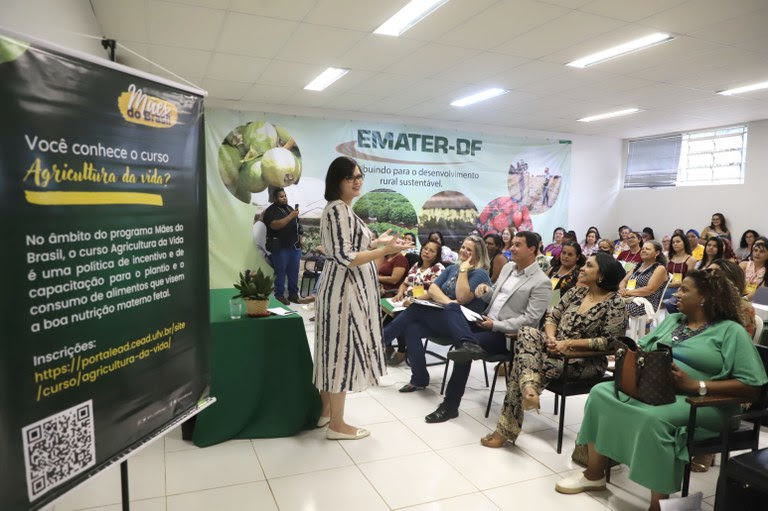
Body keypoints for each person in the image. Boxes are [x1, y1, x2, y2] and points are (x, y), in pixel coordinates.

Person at [555, 269, 767, 511]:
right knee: (601, 394)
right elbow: (643, 347)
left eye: (685, 290)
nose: (677, 294)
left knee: (653, 418)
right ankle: (594, 475)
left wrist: (696, 385)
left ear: (704, 297)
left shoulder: (730, 331)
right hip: (657, 390)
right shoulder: (674, 321)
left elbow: (752, 387)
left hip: (705, 403)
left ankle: (659, 504)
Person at [479, 253, 628, 447]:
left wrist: (567, 344)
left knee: (523, 365)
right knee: (526, 332)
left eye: (589, 266)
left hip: (583, 360)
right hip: (555, 347)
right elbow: (552, 317)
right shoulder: (576, 292)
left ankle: (507, 425)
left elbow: (610, 342)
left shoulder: (615, 303)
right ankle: (530, 388)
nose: (582, 268)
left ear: (601, 275)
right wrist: (551, 339)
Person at [314, 157, 413, 440]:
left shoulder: (344, 209)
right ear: (337, 181)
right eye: (350, 177)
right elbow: (346, 256)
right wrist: (383, 251)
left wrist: (377, 243)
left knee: (333, 351)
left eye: (359, 176)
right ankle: (337, 425)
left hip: (345, 291)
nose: (357, 181)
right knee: (340, 353)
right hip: (344, 294)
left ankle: (326, 413)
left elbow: (350, 246)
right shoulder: (337, 210)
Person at [423, 231, 552, 422]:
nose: (512, 248)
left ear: (532, 249)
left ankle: (450, 406)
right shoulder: (508, 267)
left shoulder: (541, 282)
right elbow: (496, 296)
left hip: (504, 334)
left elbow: (530, 320)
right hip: (484, 320)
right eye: (512, 244)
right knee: (452, 307)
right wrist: (486, 292)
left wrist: (495, 325)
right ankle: (467, 343)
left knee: (463, 351)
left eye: (517, 245)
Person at [382, 235, 492, 392]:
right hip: (443, 317)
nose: (463, 251)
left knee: (415, 309)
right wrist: (448, 303)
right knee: (411, 328)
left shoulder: (480, 274)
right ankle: (419, 378)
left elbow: (462, 298)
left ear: (478, 254)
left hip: (462, 326)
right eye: (463, 247)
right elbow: (433, 289)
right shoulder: (451, 268)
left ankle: (379, 343)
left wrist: (463, 270)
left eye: (469, 250)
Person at [386, 240, 445, 366]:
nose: (427, 252)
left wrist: (414, 300)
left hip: (423, 305)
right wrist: (399, 293)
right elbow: (405, 283)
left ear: (437, 255)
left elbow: (433, 293)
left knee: (399, 317)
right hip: (406, 300)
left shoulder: (438, 269)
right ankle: (387, 347)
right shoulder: (417, 265)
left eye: (431, 251)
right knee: (384, 311)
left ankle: (401, 351)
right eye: (425, 248)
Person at [263, 187, 303, 305]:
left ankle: (293, 294)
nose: (284, 198)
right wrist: (291, 216)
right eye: (281, 196)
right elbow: (275, 225)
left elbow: (298, 225)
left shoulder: (290, 208)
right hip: (280, 248)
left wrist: (301, 238)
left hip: (294, 247)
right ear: (275, 198)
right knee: (280, 272)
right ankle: (279, 295)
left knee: (294, 272)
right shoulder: (271, 211)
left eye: (285, 196)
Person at [619, 240, 668, 319]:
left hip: (646, 302)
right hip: (629, 297)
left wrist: (627, 292)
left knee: (616, 308)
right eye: (642, 249)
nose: (643, 251)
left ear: (657, 253)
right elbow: (624, 281)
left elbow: (649, 290)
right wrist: (622, 289)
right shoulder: (637, 266)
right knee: (607, 302)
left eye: (647, 249)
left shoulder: (659, 268)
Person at [665, 233, 695, 302]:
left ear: (684, 243)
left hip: (682, 288)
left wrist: (669, 285)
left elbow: (689, 282)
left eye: (678, 241)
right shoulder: (668, 258)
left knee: (660, 295)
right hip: (668, 286)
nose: (675, 244)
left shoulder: (691, 259)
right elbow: (664, 276)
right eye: (673, 242)